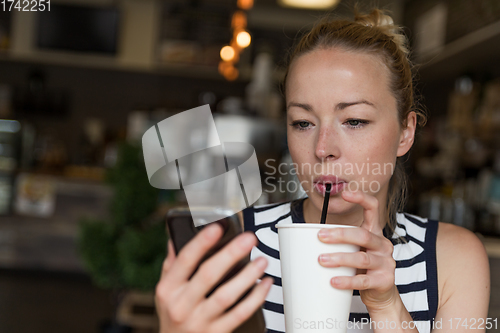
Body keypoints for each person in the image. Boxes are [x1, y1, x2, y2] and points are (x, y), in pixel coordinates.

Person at [154, 7, 490, 333]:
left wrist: (387, 307)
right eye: (302, 123)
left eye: (354, 121)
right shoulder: (235, 246)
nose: (322, 148)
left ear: (406, 132)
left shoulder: (452, 259)